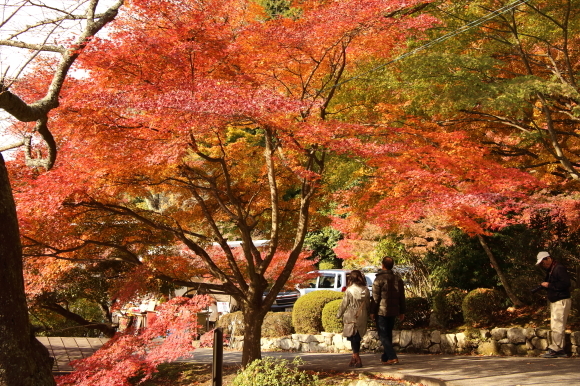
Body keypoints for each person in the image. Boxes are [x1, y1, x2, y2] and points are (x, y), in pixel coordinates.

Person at [535, 251, 571, 358]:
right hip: (555, 300)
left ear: (548, 258)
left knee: (558, 325)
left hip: (561, 300)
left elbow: (566, 283)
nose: (543, 265)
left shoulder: (558, 268)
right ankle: (558, 347)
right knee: (555, 325)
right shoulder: (551, 270)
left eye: (543, 262)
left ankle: (557, 348)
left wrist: (550, 285)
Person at [371, 256, 406, 365]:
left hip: (381, 311)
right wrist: (402, 311)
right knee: (388, 333)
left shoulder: (379, 279)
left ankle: (392, 356)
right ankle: (386, 357)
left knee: (383, 334)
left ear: (383, 265)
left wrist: (372, 311)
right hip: (394, 310)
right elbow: (402, 296)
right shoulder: (397, 279)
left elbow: (375, 298)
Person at [336, 270, 370, 368]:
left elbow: (344, 304)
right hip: (362, 314)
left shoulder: (349, 290)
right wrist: (370, 313)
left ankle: (357, 358)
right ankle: (354, 358)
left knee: (353, 337)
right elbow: (368, 304)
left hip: (351, 314)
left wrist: (338, 314)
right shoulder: (366, 290)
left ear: (351, 278)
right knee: (357, 337)